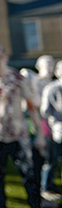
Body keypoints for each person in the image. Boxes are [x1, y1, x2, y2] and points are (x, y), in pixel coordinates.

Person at [0, 43, 47, 208]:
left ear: (6, 57)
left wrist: (40, 133)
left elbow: (32, 107)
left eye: (0, 55)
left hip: (19, 135)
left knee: (29, 176)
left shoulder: (17, 78)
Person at [41, 60, 62, 198]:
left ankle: (47, 187)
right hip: (57, 129)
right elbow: (45, 111)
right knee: (51, 160)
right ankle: (47, 188)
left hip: (57, 128)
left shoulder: (50, 87)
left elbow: (45, 111)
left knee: (52, 160)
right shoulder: (52, 88)